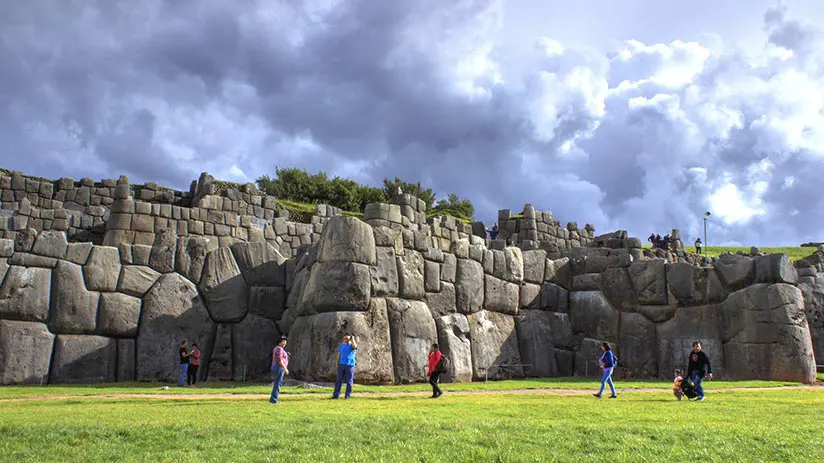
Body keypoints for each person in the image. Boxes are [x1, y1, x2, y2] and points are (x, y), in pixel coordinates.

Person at [331, 334, 358, 399]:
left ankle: (347, 396)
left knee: (349, 381)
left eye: (347, 338)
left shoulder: (352, 345)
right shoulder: (342, 346)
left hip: (350, 365)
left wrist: (353, 339)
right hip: (341, 364)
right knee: (339, 380)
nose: (345, 340)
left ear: (349, 339)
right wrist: (336, 363)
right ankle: (336, 395)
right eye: (345, 338)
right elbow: (338, 355)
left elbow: (354, 346)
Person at [270, 336, 289, 404]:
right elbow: (280, 361)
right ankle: (274, 400)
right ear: (279, 342)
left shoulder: (279, 349)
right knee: (277, 384)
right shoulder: (279, 349)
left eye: (285, 341)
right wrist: (285, 369)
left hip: (277, 367)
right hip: (279, 368)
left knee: (277, 384)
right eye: (282, 342)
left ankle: (274, 399)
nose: (284, 343)